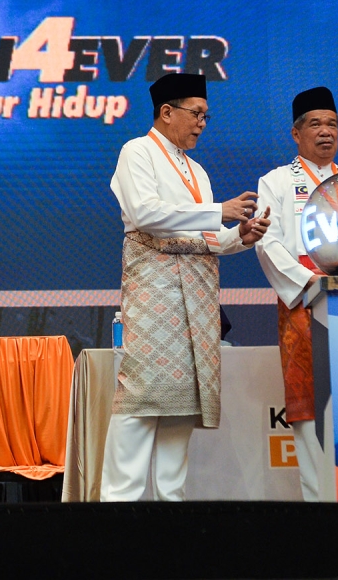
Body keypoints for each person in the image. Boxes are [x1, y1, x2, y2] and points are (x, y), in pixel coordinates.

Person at [102, 72, 271, 501]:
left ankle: (169, 510)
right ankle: (116, 506)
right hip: (155, 291)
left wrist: (240, 236)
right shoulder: (136, 151)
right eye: (196, 114)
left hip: (195, 297)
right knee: (143, 397)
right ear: (166, 112)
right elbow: (145, 214)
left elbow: (203, 238)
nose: (201, 123)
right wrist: (219, 210)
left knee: (181, 401)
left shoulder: (196, 168)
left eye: (206, 116)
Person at [254, 86, 338, 502]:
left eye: (332, 124)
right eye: (315, 124)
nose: (325, 132)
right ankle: (318, 501)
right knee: (308, 406)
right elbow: (267, 243)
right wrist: (309, 284)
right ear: (296, 133)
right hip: (303, 300)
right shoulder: (275, 181)